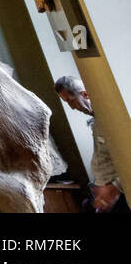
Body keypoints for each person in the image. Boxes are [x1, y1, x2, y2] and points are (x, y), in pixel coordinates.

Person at [54, 75, 126, 213]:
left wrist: (113, 188)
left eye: (71, 101)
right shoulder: (96, 120)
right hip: (104, 192)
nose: (72, 108)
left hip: (117, 195)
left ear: (85, 94)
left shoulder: (112, 119)